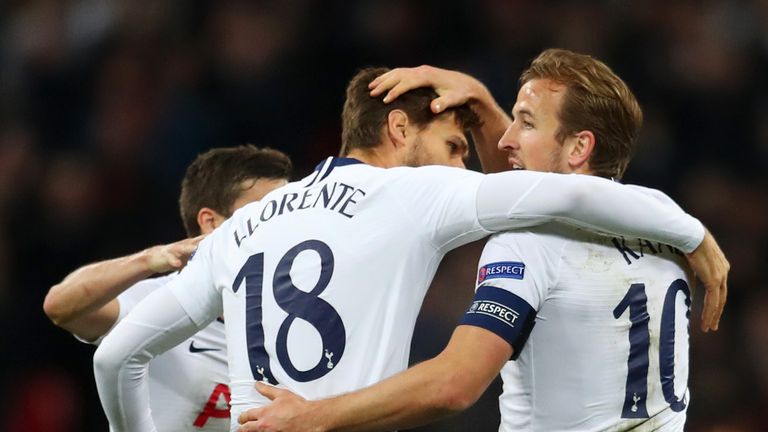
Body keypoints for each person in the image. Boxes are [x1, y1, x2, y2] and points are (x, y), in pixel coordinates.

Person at [92, 66, 725, 432]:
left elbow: (116, 356)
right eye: (458, 146)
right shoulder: (659, 242)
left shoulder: (241, 229)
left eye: (523, 126)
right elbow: (567, 197)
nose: (483, 155)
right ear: (399, 129)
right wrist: (696, 235)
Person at [43, 145, 292, 431]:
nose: (279, 228)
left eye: (283, 213)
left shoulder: (292, 312)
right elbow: (60, 306)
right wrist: (149, 259)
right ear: (210, 223)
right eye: (262, 214)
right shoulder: (160, 304)